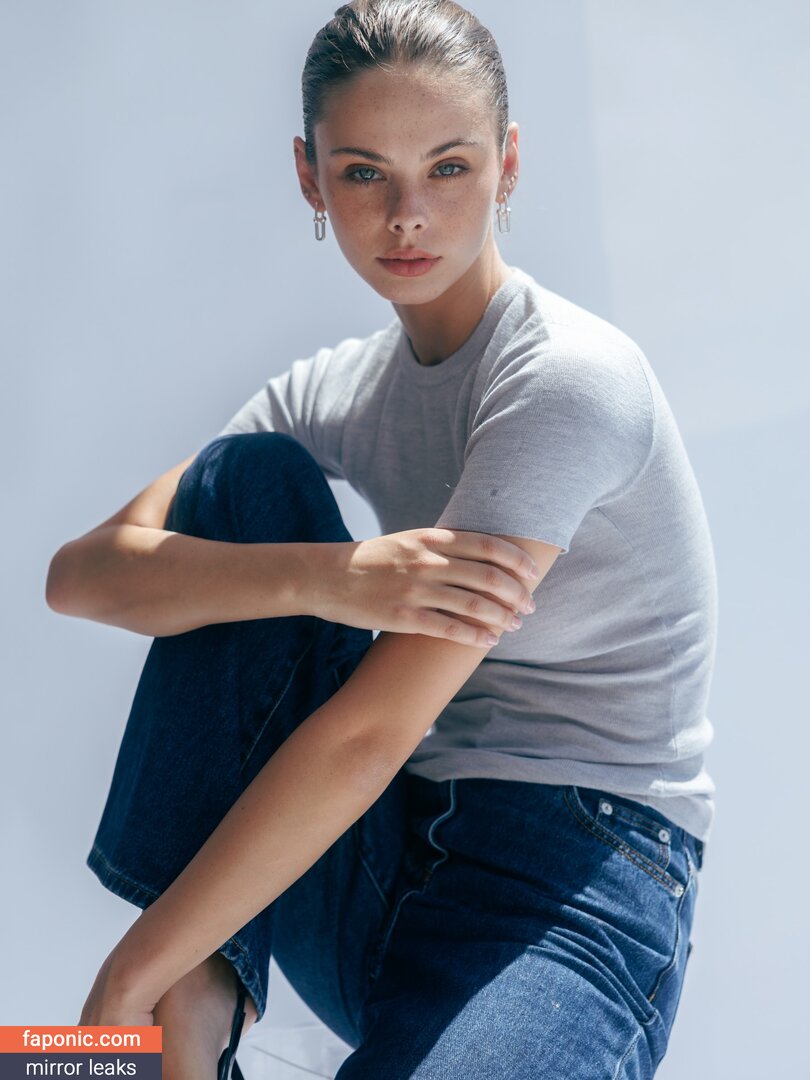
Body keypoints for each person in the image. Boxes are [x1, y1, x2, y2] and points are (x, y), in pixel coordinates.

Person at [46, 1, 717, 1077]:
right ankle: (197, 1002)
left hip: (574, 881)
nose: (408, 216)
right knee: (244, 483)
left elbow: (371, 731)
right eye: (365, 173)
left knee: (116, 1024)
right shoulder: (343, 391)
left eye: (448, 167)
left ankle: (153, 1013)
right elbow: (80, 577)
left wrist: (119, 981)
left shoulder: (568, 382)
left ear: (507, 164)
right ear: (311, 178)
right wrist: (337, 577)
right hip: (383, 853)